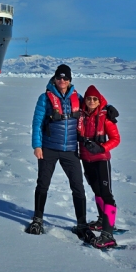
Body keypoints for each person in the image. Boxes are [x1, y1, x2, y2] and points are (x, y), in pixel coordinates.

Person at [26, 64, 89, 238]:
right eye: (59, 77)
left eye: (66, 78)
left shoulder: (78, 98)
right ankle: (37, 219)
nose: (62, 81)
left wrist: (107, 110)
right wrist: (37, 146)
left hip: (70, 150)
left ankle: (82, 223)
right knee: (43, 184)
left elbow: (93, 108)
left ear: (70, 80)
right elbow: (37, 123)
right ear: (54, 78)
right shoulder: (45, 98)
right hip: (48, 149)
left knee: (78, 187)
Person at [78, 84, 121, 249]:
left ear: (99, 100)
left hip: (101, 159)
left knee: (106, 194)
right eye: (89, 98)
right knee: (96, 190)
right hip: (86, 159)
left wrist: (102, 147)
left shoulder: (105, 117)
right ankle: (103, 220)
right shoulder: (81, 115)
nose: (91, 101)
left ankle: (108, 235)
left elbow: (116, 139)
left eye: (95, 99)